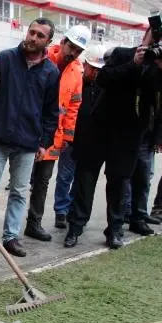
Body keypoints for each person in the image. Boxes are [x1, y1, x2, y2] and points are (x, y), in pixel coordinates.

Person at [0, 18, 59, 258]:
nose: (33, 38)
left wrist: (44, 142)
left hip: (28, 144)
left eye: (40, 36)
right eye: (32, 32)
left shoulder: (51, 72)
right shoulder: (5, 59)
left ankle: (11, 237)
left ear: (48, 41)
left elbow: (51, 111)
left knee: (19, 192)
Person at [65, 29, 162, 248]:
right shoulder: (121, 54)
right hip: (99, 128)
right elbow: (105, 79)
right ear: (146, 36)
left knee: (119, 183)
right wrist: (134, 63)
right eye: (152, 36)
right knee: (85, 180)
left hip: (129, 136)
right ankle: (75, 228)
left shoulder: (158, 68)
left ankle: (115, 230)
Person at [25, 25, 89, 242]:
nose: (73, 53)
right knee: (20, 181)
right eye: (71, 47)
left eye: (79, 51)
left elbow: (73, 107)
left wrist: (67, 138)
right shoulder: (42, 58)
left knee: (42, 181)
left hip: (53, 136)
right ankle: (9, 228)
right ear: (62, 42)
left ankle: (34, 223)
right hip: (28, 130)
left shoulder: (77, 72)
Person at [62, 44, 107, 247]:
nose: (95, 73)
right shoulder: (78, 83)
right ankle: (70, 222)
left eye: (99, 70)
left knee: (84, 189)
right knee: (71, 181)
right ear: (85, 65)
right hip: (75, 143)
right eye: (92, 69)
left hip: (97, 147)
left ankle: (77, 224)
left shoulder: (107, 88)